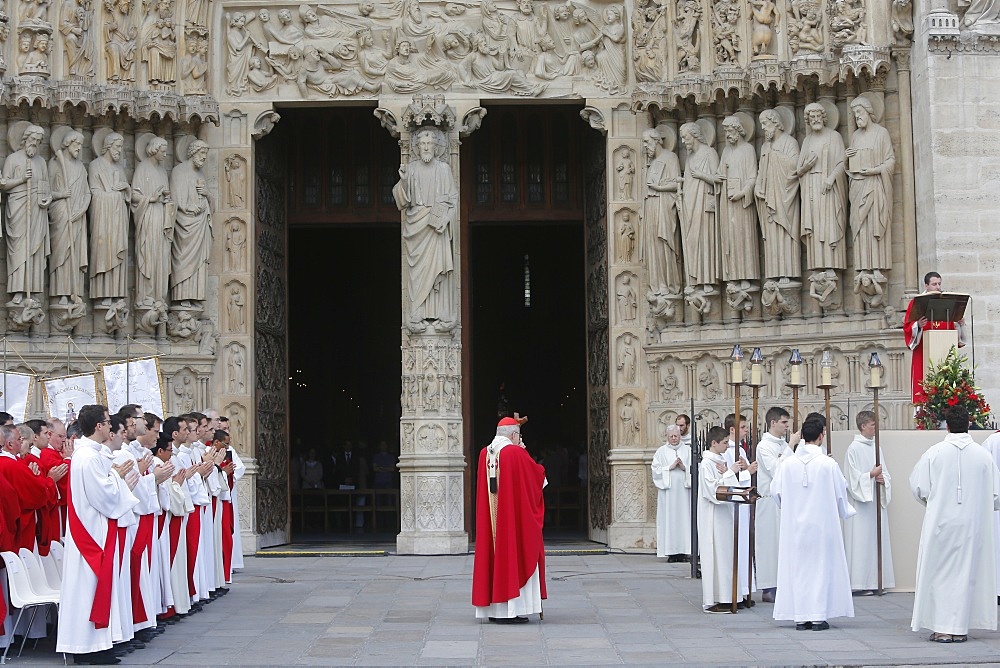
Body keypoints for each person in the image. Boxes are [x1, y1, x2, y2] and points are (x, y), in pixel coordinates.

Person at [56, 404, 141, 664]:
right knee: (87, 590)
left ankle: (97, 643)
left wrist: (115, 478)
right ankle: (86, 647)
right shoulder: (88, 457)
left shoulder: (89, 454)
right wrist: (118, 480)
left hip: (94, 529)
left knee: (91, 590)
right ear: (99, 426)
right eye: (107, 421)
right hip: (91, 533)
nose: (111, 425)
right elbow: (103, 496)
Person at [910, 406, 1000, 643]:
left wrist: (935, 503)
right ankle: (959, 629)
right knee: (965, 574)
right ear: (969, 424)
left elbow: (919, 488)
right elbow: (996, 495)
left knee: (941, 573)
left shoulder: (935, 452)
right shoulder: (983, 456)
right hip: (972, 525)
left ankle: (942, 629)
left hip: (941, 523)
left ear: (946, 425)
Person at [772, 414, 854, 630]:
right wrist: (845, 511)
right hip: (821, 526)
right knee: (820, 568)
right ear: (821, 436)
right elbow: (840, 493)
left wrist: (790, 507)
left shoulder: (788, 464)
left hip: (795, 527)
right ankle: (817, 616)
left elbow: (775, 492)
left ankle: (801, 617)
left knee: (798, 569)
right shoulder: (828, 464)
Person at [472, 417, 547, 624]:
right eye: (519, 437)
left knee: (492, 553)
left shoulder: (484, 454)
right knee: (514, 552)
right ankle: (511, 609)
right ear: (514, 435)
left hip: (492, 521)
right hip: (511, 523)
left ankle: (495, 611)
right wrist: (524, 451)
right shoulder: (515, 452)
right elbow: (536, 477)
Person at [392, 128, 457, 327]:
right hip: (417, 228)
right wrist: (403, 180)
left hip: (437, 228)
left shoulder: (444, 169)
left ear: (436, 147)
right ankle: (417, 313)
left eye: (429, 144)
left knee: (439, 271)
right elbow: (401, 202)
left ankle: (440, 313)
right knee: (418, 274)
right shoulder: (410, 169)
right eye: (422, 144)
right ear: (417, 148)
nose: (426, 147)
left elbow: (453, 199)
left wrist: (446, 219)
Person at [843, 410, 894, 594]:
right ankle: (860, 583)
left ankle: (876, 581)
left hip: (875, 502)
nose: (875, 428)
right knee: (862, 541)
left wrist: (883, 480)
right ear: (863, 426)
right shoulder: (853, 449)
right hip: (861, 506)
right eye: (873, 425)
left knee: (876, 541)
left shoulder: (876, 446)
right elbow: (850, 479)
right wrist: (870, 475)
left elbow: (885, 472)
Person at [698, 426, 745, 613]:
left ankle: (732, 595)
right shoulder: (706, 463)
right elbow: (712, 490)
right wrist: (729, 472)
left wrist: (728, 472)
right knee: (717, 555)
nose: (727, 446)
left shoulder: (719, 461)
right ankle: (717, 598)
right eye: (725, 443)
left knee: (727, 555)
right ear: (714, 443)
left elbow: (730, 485)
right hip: (713, 517)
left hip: (725, 515)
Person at [903, 271, 968, 403]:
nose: (938, 287)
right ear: (926, 285)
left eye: (939, 283)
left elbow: (952, 328)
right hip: (923, 352)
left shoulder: (947, 303)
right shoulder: (917, 303)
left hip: (943, 352)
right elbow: (907, 327)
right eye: (934, 284)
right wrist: (918, 325)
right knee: (922, 386)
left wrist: (959, 323)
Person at [755, 407, 794, 603]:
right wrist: (790, 447)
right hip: (769, 501)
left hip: (785, 500)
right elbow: (776, 470)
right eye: (784, 422)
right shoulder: (764, 446)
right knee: (770, 544)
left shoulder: (782, 444)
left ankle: (784, 584)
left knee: (783, 544)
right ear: (773, 423)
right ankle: (769, 587)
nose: (787, 426)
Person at [725, 413, 756, 602]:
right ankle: (738, 591)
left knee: (745, 546)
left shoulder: (741, 450)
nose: (746, 431)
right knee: (738, 546)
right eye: (743, 427)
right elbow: (730, 479)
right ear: (733, 429)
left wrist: (746, 471)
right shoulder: (727, 450)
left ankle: (745, 590)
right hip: (734, 504)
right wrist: (748, 472)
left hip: (744, 503)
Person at [651, 424, 691, 561]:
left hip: (684, 494)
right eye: (671, 436)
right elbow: (655, 470)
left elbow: (695, 469)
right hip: (668, 494)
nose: (674, 439)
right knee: (669, 520)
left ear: (680, 436)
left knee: (684, 520)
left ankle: (685, 551)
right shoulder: (661, 451)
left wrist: (684, 467)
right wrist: (670, 467)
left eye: (676, 436)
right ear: (667, 437)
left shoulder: (688, 450)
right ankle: (671, 552)